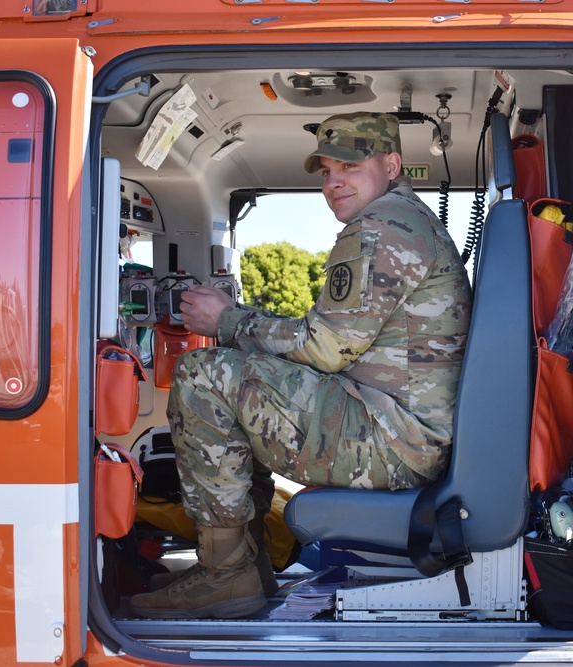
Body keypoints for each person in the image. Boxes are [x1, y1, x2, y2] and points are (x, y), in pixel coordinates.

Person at [129, 111, 473, 619]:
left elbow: (325, 347)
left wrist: (229, 321)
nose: (334, 183)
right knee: (244, 367)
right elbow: (333, 343)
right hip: (400, 430)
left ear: (392, 164)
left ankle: (227, 575)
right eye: (327, 171)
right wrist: (246, 332)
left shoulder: (382, 227)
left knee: (205, 373)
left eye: (350, 167)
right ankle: (248, 567)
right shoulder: (404, 221)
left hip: (390, 439)